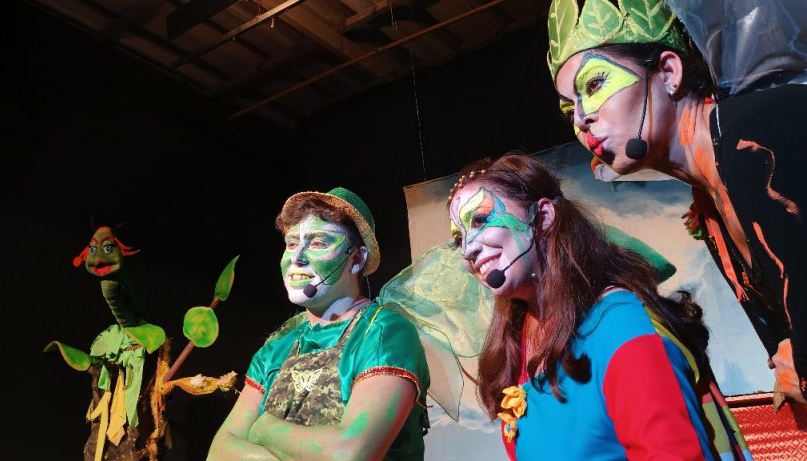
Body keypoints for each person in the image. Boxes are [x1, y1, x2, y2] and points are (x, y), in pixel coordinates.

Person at [546, 0, 807, 453]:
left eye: (595, 84)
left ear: (669, 72)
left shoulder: (758, 134)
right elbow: (793, 354)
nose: (582, 119)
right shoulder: (711, 210)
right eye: (569, 110)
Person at [446, 152, 749, 460]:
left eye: (480, 220)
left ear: (544, 217)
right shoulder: (518, 338)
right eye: (459, 239)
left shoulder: (619, 326)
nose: (467, 251)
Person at [206, 187, 430, 461]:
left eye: (318, 243)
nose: (296, 257)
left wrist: (265, 428)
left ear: (356, 259)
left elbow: (350, 454)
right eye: (291, 244)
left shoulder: (383, 333)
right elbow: (219, 452)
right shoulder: (277, 347)